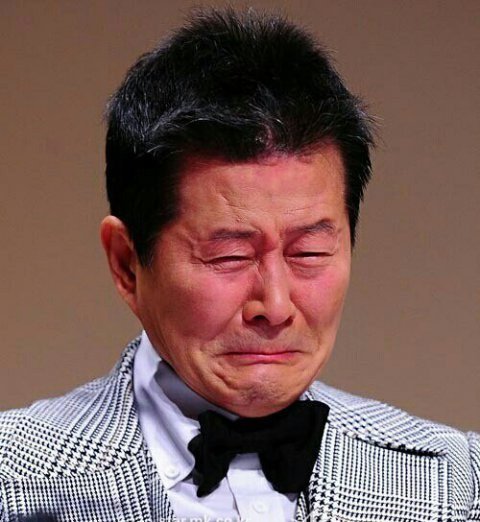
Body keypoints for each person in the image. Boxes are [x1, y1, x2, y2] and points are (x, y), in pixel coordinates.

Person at [0, 7, 478, 522]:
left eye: (309, 253)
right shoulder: (13, 482)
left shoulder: (458, 484)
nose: (275, 306)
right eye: (229, 256)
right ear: (127, 264)